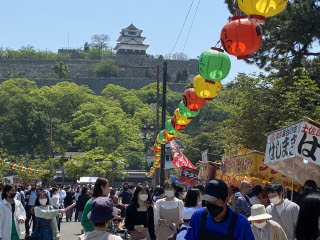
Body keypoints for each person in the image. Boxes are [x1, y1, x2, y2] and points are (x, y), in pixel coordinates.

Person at [185, 179, 255, 240]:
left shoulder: (241, 223)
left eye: (215, 201)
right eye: (207, 201)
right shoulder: (198, 216)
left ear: (226, 199)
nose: (211, 204)